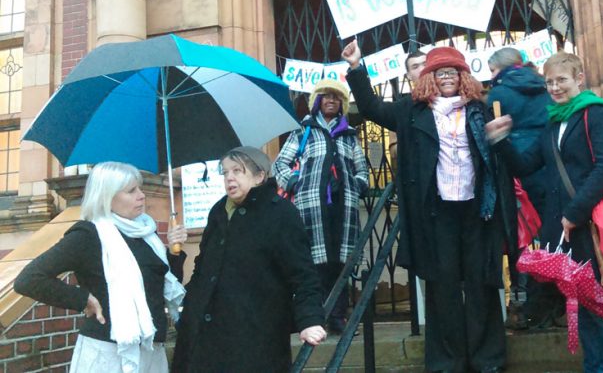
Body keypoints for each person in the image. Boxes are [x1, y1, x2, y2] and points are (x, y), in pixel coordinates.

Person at [343, 40, 507, 373]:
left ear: (463, 75)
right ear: (429, 77)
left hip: (478, 209)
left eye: (453, 71)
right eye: (440, 72)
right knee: (442, 286)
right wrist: (357, 68)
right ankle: (447, 361)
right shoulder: (411, 111)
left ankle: (486, 358)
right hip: (436, 212)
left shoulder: (479, 108)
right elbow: (372, 108)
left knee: (480, 284)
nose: (447, 77)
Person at [485, 52, 603, 372]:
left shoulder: (595, 113)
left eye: (562, 80)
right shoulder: (555, 121)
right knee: (584, 303)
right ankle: (596, 367)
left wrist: (575, 212)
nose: (555, 87)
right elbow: (526, 164)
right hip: (564, 228)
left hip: (589, 223)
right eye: (549, 82)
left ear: (579, 78)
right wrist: (500, 140)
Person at [14, 161, 187, 373]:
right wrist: (82, 299)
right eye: (131, 191)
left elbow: (159, 286)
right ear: (108, 196)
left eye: (140, 188)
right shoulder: (89, 235)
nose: (141, 195)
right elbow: (29, 279)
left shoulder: (146, 234)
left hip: (150, 350)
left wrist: (174, 252)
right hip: (108, 354)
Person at [173, 146, 326, 372]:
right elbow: (203, 267)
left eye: (237, 171)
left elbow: (303, 275)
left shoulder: (280, 213)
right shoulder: (218, 211)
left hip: (254, 335)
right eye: (225, 172)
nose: (229, 178)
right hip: (204, 335)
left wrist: (310, 319)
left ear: (259, 176)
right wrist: (189, 308)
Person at [272, 78, 369, 335]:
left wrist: (358, 185)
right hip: (311, 207)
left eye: (336, 97)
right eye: (326, 96)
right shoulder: (302, 132)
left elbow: (362, 170)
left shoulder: (349, 136)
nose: (330, 100)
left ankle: (337, 318)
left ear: (341, 104)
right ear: (317, 101)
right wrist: (293, 181)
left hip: (343, 208)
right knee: (314, 265)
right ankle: (315, 318)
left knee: (340, 264)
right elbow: (280, 164)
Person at [487, 47, 558, 329]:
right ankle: (554, 302)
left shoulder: (498, 93)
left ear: (499, 69)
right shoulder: (545, 87)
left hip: (516, 169)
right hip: (548, 166)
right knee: (550, 236)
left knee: (522, 240)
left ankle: (526, 303)